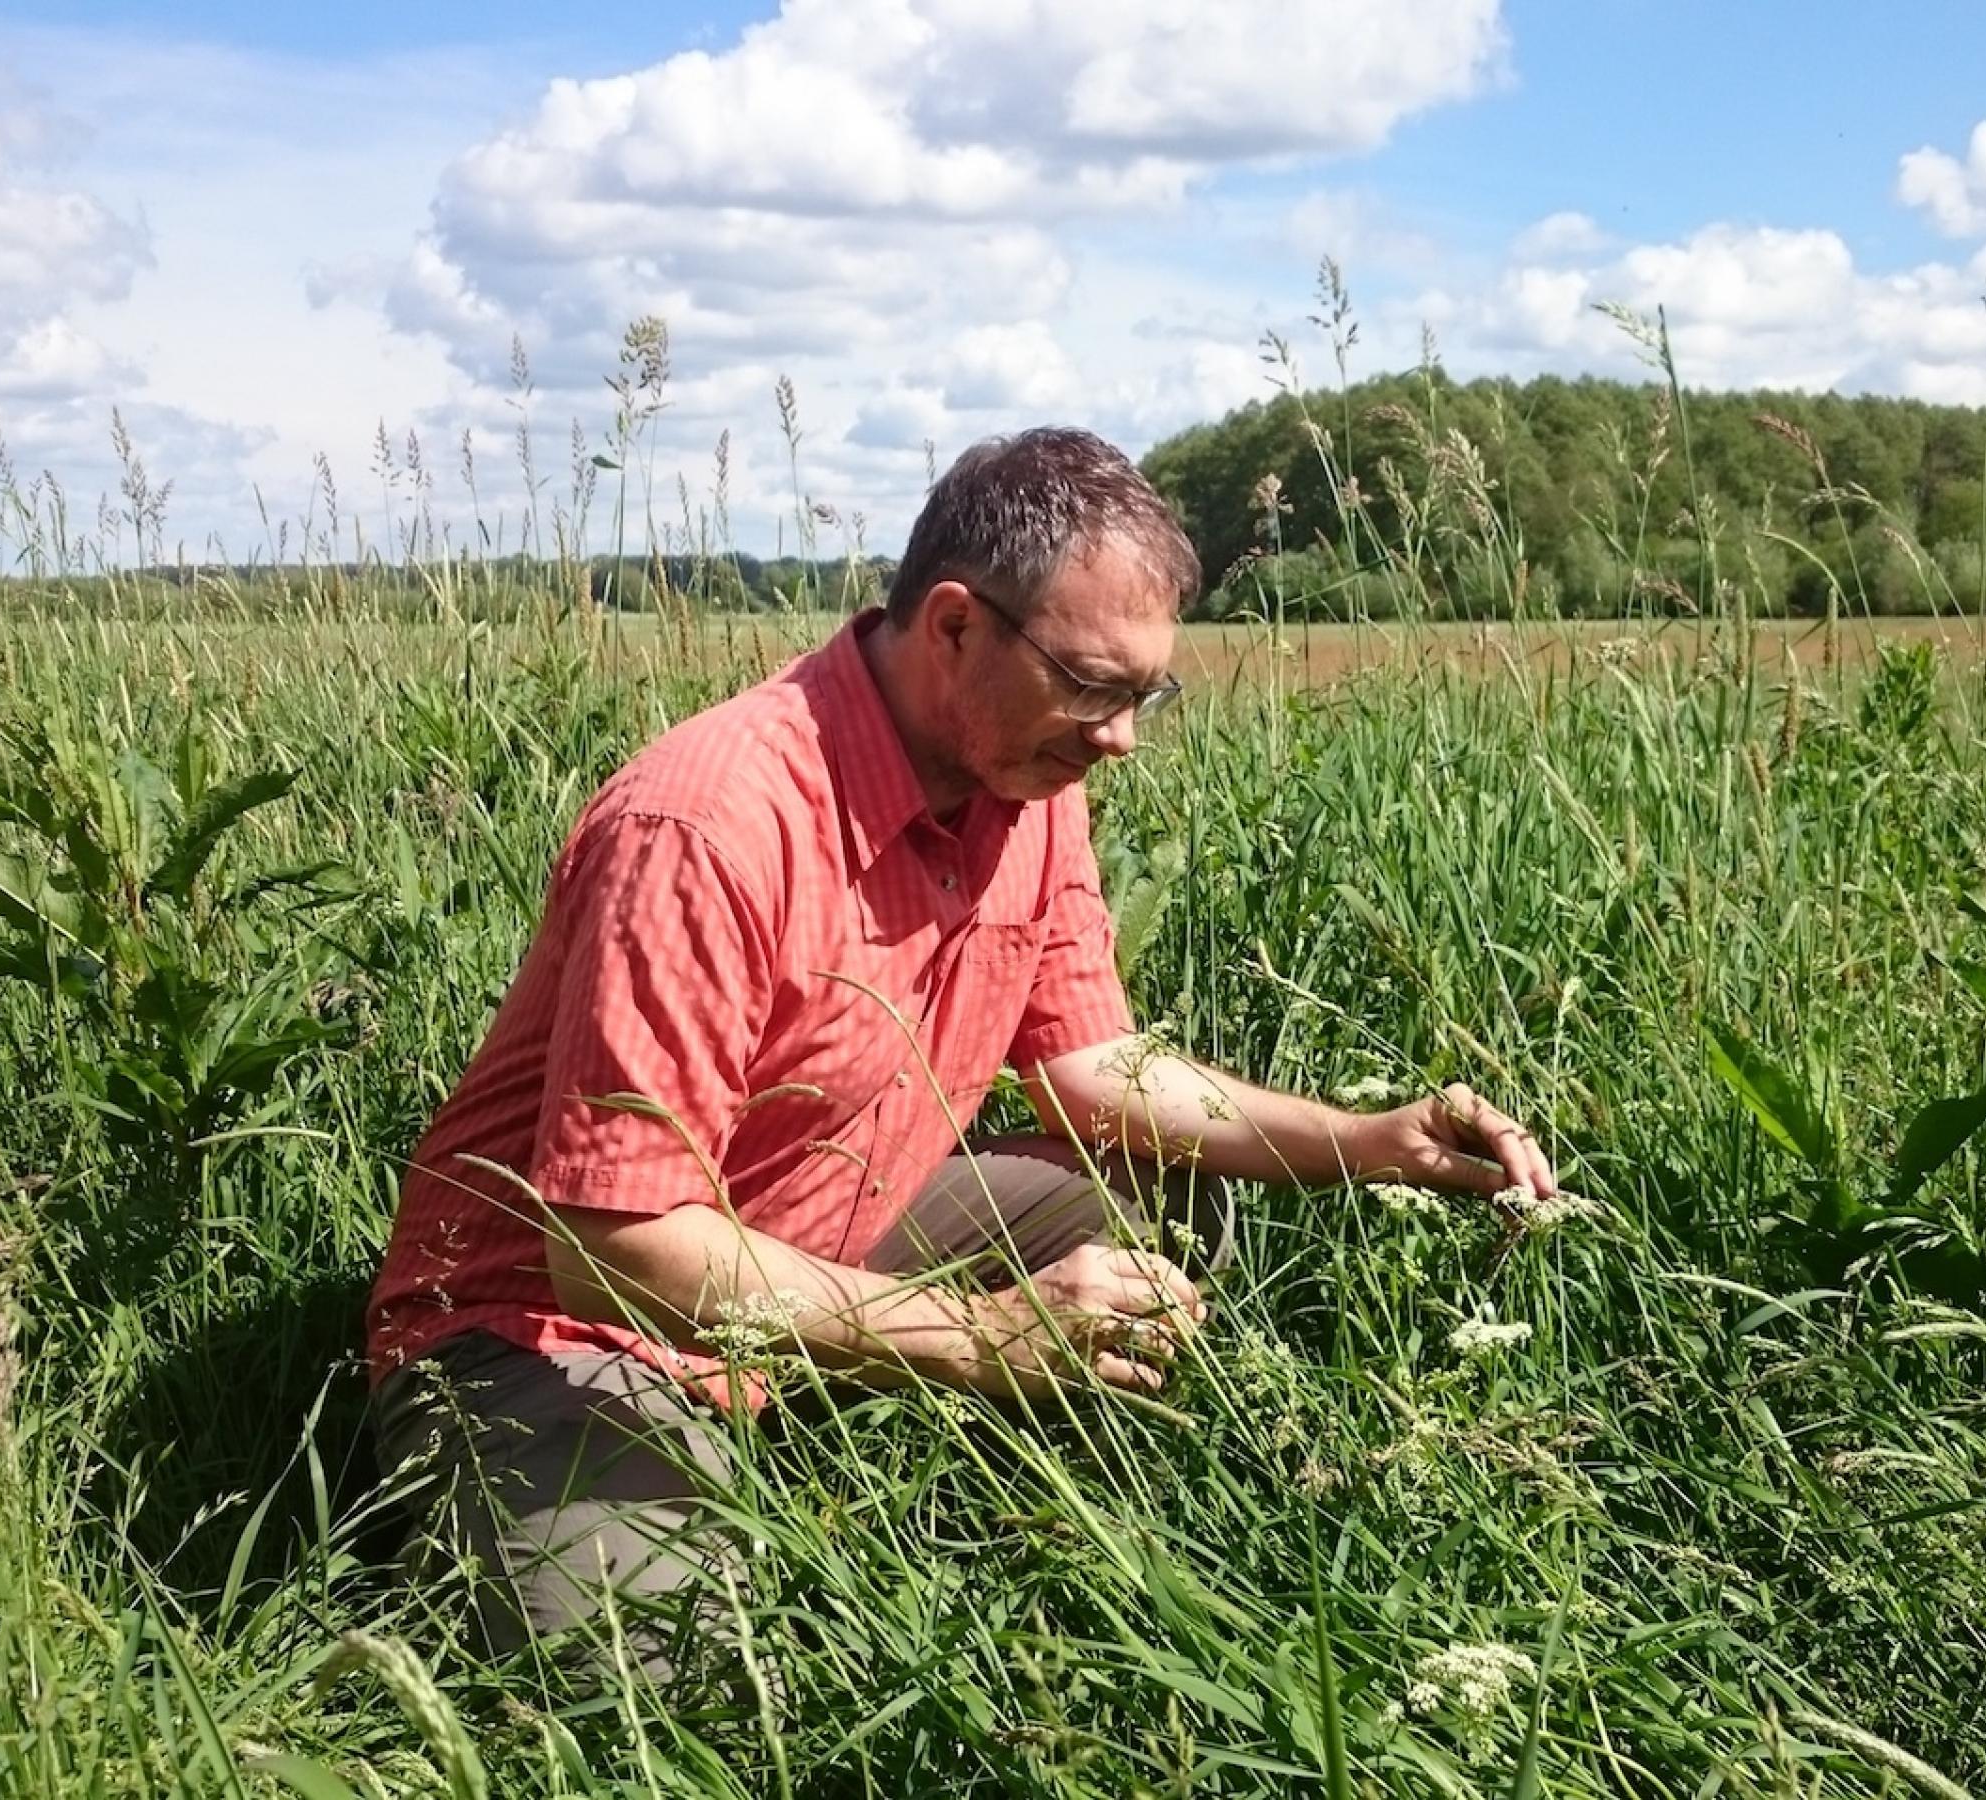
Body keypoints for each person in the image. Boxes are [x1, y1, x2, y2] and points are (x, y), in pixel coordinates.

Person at [364, 425, 1558, 1679]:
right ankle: (490, 1485)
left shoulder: (1028, 783)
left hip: (825, 1235)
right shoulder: (711, 824)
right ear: (951, 628)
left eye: (1146, 695)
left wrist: (1369, 1144)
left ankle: (998, 1490)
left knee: (1167, 1193)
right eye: (1092, 684)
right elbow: (612, 1245)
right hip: (550, 1325)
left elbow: (1097, 1074)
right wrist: (980, 1336)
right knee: (670, 1690)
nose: (1121, 738)